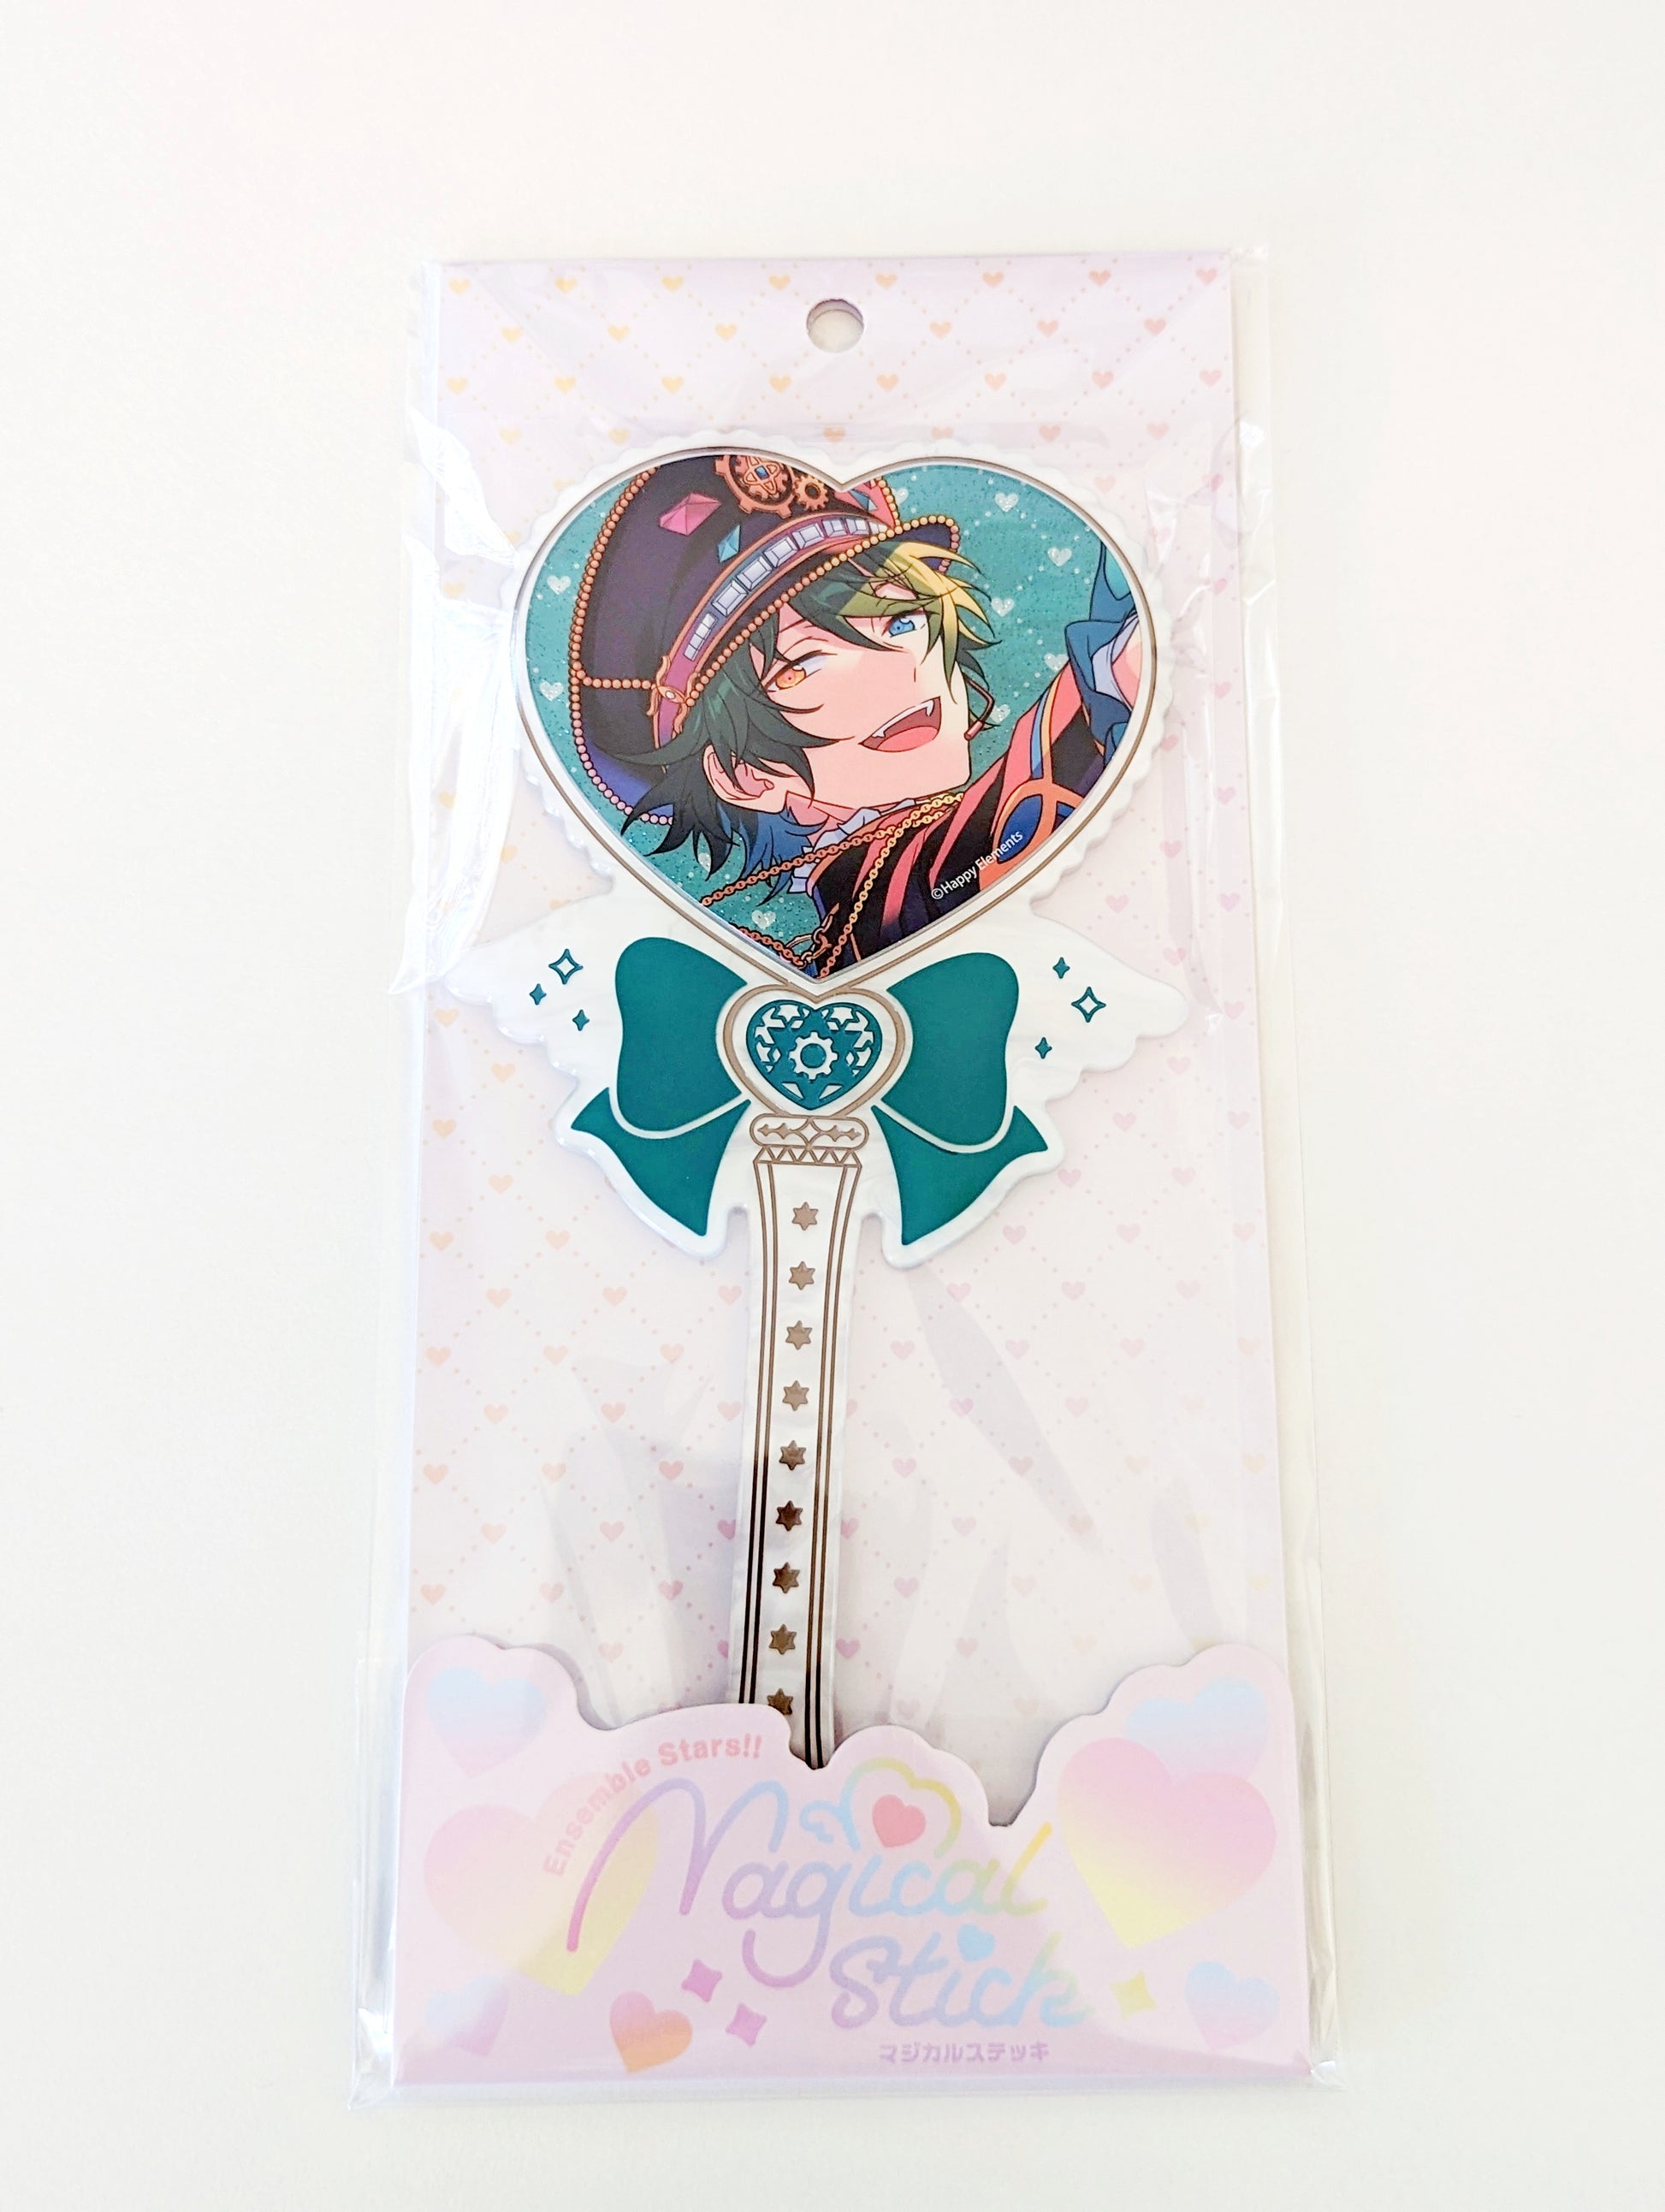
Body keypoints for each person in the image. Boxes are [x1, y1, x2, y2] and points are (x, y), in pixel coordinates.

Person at [566, 452, 1143, 976]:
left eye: (902, 620)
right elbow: (971, 844)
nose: (898, 667)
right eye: (805, 664)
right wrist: (1109, 678)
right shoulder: (883, 899)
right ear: (745, 775)